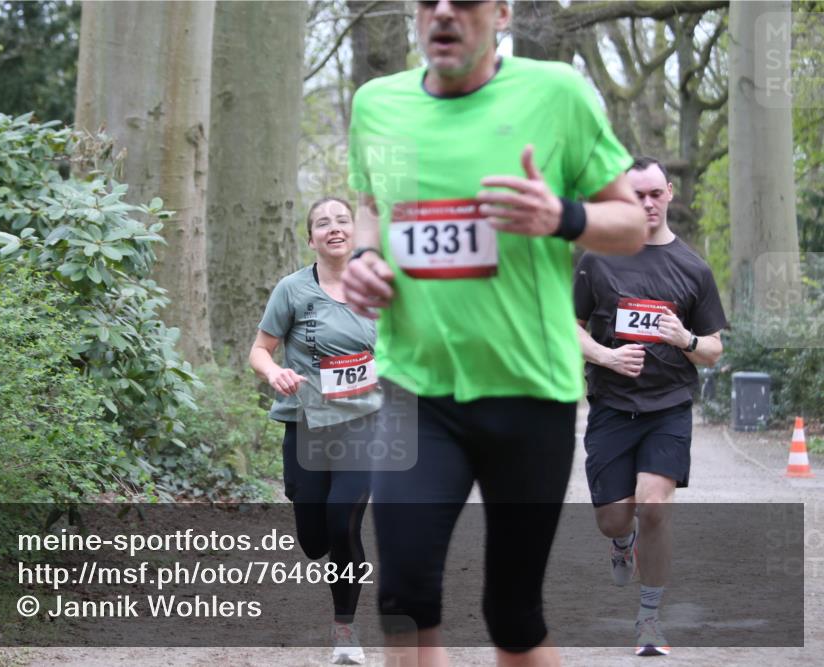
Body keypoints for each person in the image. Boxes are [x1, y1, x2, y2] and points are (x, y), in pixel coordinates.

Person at [341, 1, 647, 665]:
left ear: (502, 12)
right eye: (428, 2)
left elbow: (631, 224)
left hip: (528, 391)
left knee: (512, 614)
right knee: (402, 597)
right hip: (415, 385)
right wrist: (365, 258)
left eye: (466, 1)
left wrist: (563, 215)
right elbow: (372, 204)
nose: (444, 12)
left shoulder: (556, 94)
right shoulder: (378, 104)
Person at [573, 156, 726, 657]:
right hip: (613, 408)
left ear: (668, 195)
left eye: (655, 193)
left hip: (668, 407)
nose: (647, 203)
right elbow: (564, 325)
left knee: (654, 508)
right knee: (614, 520)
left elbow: (713, 349)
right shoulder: (596, 258)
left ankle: (649, 620)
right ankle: (621, 543)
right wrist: (605, 355)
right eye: (635, 195)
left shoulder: (693, 268)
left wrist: (686, 337)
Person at [250, 196, 382, 665]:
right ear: (311, 239)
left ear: (355, 232)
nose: (334, 228)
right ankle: (322, 545)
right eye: (323, 223)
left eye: (342, 220)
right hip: (306, 424)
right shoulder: (292, 289)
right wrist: (274, 374)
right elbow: (260, 350)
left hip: (364, 424)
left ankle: (345, 632)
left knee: (343, 522)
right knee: (314, 538)